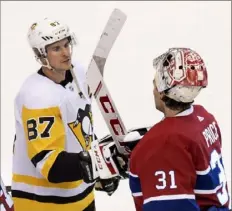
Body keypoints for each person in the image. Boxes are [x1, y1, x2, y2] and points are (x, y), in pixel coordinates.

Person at [11, 18, 121, 211]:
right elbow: (51, 167)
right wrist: (97, 162)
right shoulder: (36, 96)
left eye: (66, 44)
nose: (65, 53)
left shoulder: (79, 73)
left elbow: (80, 134)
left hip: (80, 198)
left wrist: (98, 174)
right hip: (42, 204)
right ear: (41, 54)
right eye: (56, 48)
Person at [104, 48, 231, 211]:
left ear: (163, 93)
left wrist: (149, 152)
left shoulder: (163, 144)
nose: (153, 90)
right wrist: (146, 153)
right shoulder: (205, 117)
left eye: (155, 84)